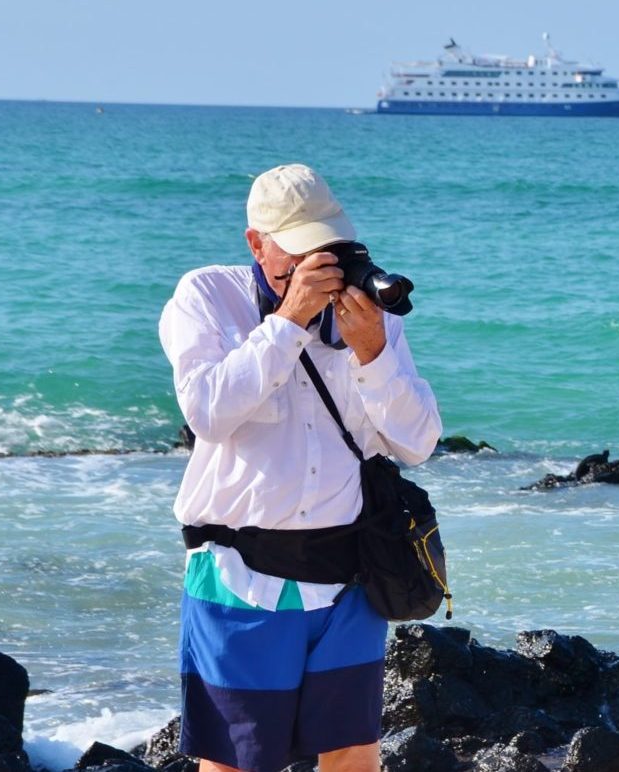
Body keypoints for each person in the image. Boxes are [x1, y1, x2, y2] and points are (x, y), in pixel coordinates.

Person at [158, 164, 442, 772]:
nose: (318, 262)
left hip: (350, 578)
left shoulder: (369, 310)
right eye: (298, 249)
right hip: (241, 574)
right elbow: (208, 412)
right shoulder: (209, 296)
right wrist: (287, 323)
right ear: (256, 243)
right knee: (238, 761)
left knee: (353, 755)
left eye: (326, 245)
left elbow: (418, 442)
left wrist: (373, 352)